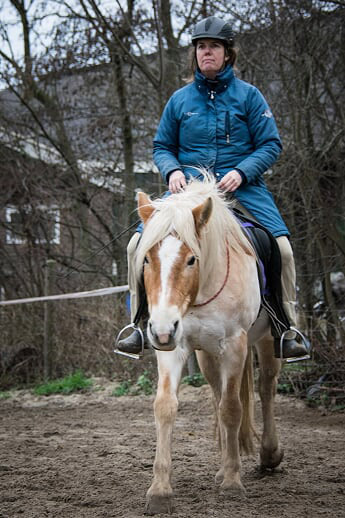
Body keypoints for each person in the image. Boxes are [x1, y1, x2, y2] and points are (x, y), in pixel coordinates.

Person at [116, 16, 309, 360]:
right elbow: (162, 146)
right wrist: (172, 170)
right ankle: (138, 324)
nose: (207, 53)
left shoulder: (249, 97)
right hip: (188, 194)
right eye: (202, 47)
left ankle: (286, 328)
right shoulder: (179, 100)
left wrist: (242, 171)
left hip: (241, 191)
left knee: (283, 249)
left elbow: (271, 144)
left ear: (227, 54)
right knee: (136, 245)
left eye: (214, 47)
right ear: (195, 54)